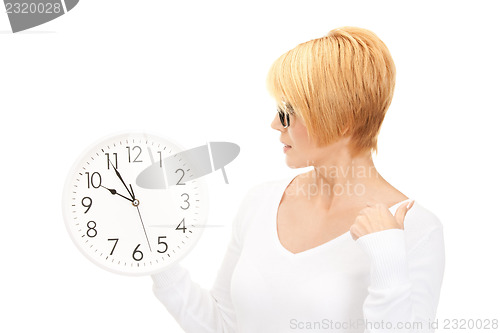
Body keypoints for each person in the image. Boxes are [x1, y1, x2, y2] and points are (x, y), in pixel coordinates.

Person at [151, 26, 445, 333]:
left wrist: (387, 255)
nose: (275, 123)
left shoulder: (414, 229)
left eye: (289, 111)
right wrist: (159, 262)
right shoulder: (260, 202)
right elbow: (223, 325)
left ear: (342, 120)